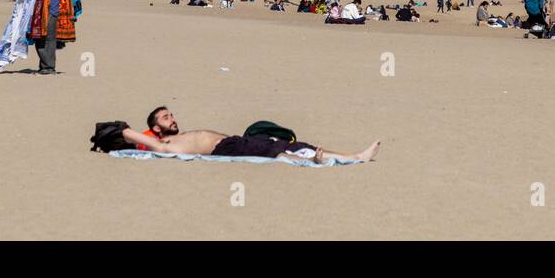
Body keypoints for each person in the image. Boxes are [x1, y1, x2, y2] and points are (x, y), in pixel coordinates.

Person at [122, 107, 380, 164]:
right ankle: (311, 161)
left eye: (171, 114)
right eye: (166, 118)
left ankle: (355, 155)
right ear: (155, 129)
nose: (173, 118)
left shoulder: (176, 136)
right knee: (274, 152)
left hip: (234, 142)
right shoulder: (163, 144)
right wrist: (122, 131)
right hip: (227, 149)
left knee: (290, 143)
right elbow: (132, 137)